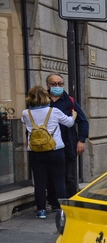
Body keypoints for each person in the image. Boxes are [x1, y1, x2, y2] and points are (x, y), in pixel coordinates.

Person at [22, 85, 76, 219]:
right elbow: (69, 123)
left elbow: (25, 124)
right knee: (59, 180)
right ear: (45, 97)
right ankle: (62, 210)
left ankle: (41, 210)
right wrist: (73, 116)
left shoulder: (25, 113)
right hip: (55, 150)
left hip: (35, 151)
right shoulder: (54, 111)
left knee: (40, 182)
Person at [46, 73, 89, 199]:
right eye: (54, 84)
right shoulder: (42, 101)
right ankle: (54, 202)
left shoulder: (70, 101)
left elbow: (83, 121)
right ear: (48, 85)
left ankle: (70, 200)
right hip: (48, 146)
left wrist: (81, 140)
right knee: (50, 175)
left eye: (60, 84)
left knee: (69, 177)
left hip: (68, 144)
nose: (57, 86)